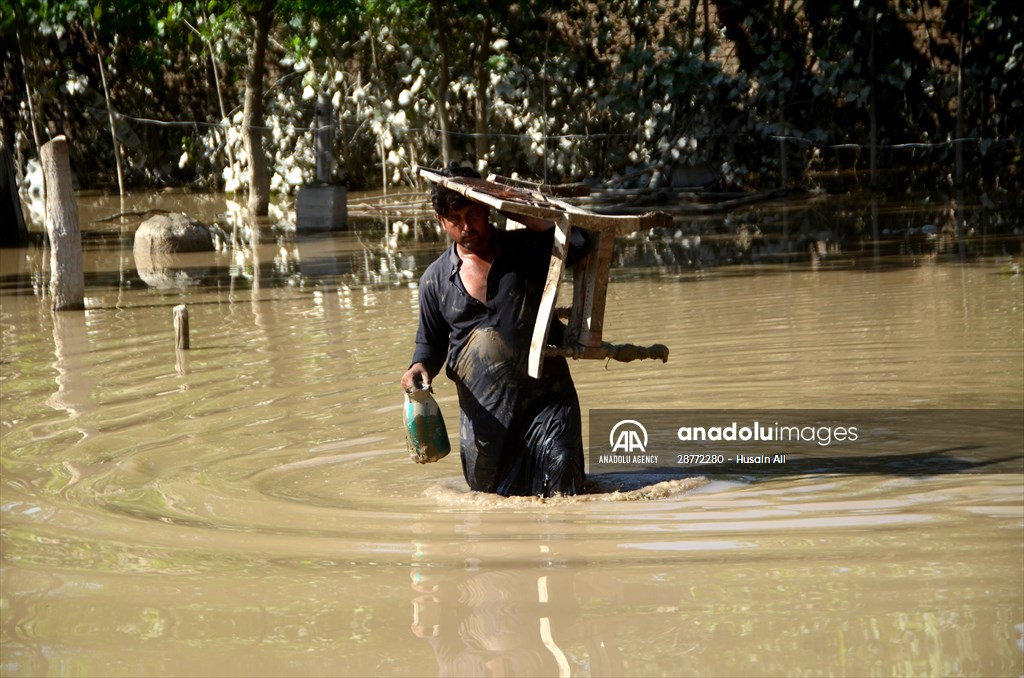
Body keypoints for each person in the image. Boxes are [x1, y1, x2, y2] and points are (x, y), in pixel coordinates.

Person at [401, 163, 588, 497]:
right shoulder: (434, 280)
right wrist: (417, 370)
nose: (466, 226)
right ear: (441, 222)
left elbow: (580, 239)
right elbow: (429, 347)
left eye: (473, 213)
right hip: (486, 421)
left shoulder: (525, 250)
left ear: (488, 209)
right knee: (488, 500)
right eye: (454, 219)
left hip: (547, 404)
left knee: (566, 495)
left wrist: (513, 203)